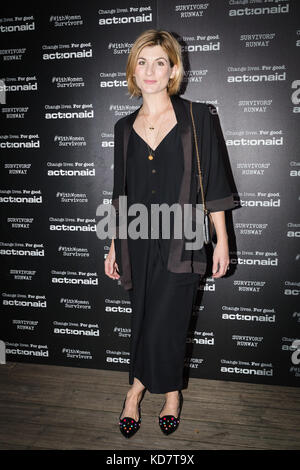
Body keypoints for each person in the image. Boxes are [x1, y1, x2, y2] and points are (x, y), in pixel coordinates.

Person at [104, 29, 235, 438]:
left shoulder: (199, 117)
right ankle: (161, 391)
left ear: (173, 70)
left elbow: (212, 183)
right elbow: (119, 193)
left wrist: (223, 241)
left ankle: (144, 393)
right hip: (136, 241)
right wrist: (112, 245)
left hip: (187, 238)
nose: (150, 70)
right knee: (143, 318)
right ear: (133, 70)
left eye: (159, 62)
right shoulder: (123, 128)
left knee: (169, 321)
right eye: (142, 62)